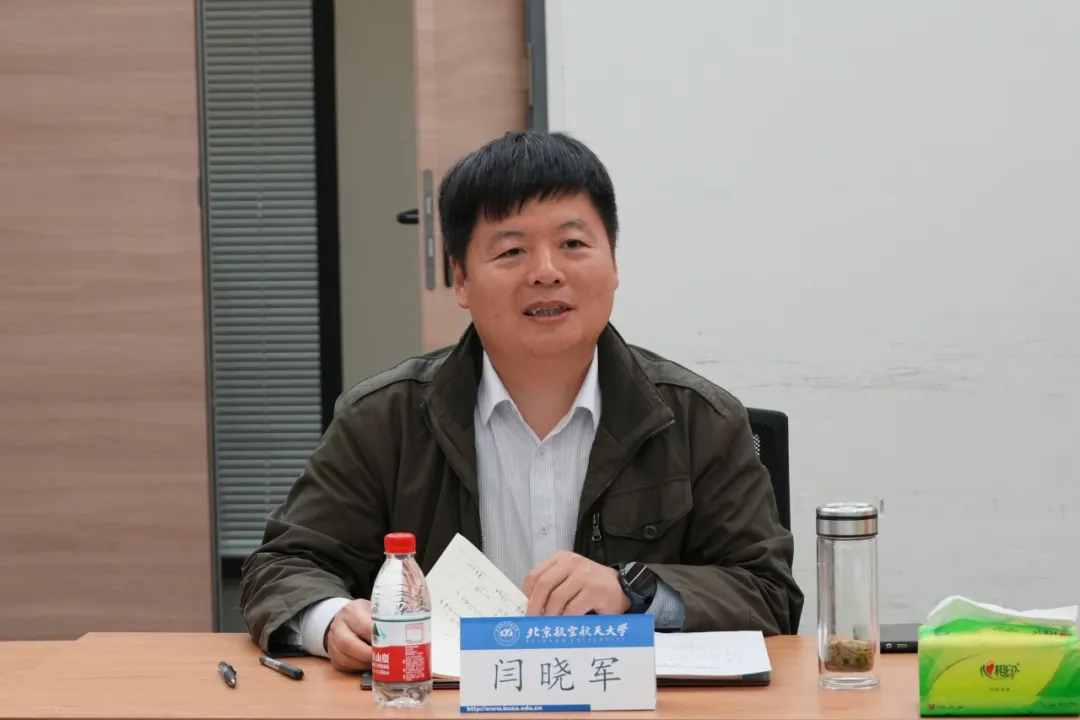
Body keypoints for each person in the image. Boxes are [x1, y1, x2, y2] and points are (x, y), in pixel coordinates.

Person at [240, 130, 803, 672]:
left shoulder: (698, 419)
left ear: (613, 263)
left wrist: (633, 591)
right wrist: (329, 619)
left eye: (573, 244)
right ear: (461, 279)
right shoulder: (383, 419)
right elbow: (286, 564)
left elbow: (767, 593)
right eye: (511, 251)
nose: (546, 273)